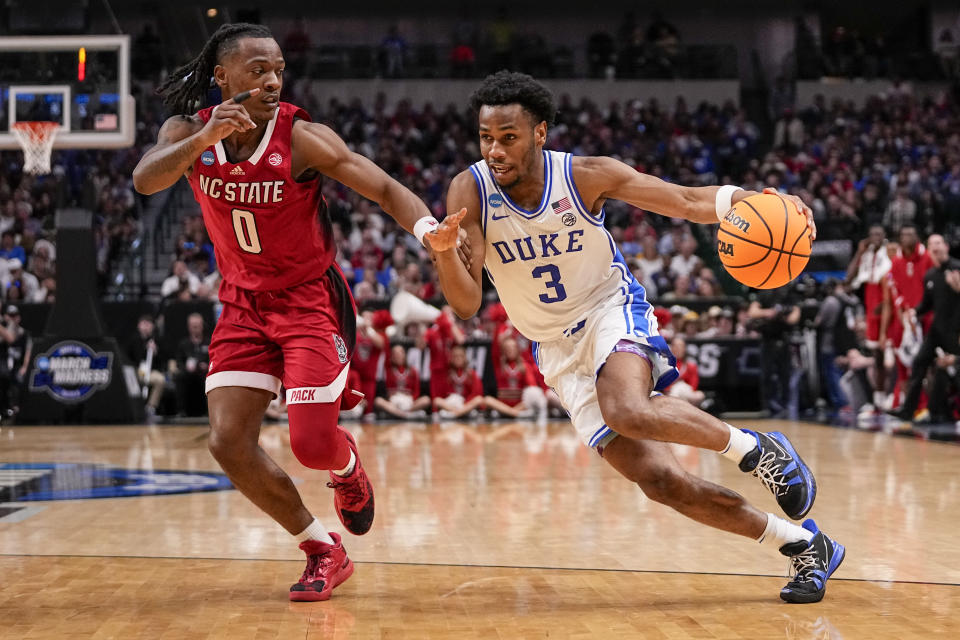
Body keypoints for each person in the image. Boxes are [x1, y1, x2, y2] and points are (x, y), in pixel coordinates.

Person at [426, 71, 843, 604]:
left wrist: (756, 200)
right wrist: (444, 252)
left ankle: (760, 450)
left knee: (626, 407)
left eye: (508, 136)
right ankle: (807, 545)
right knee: (663, 484)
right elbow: (465, 304)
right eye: (486, 137)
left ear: (540, 133)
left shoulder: (586, 176)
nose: (495, 150)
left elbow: (688, 200)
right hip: (554, 347)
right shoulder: (471, 189)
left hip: (609, 308)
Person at [132, 23, 462, 602]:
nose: (272, 80)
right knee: (227, 443)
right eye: (257, 69)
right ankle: (322, 548)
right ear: (222, 77)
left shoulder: (302, 137)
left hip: (308, 299)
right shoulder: (188, 130)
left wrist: (429, 231)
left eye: (278, 69)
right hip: (240, 303)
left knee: (311, 443)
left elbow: (382, 187)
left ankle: (346, 465)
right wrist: (206, 137)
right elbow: (145, 180)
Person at [886, 235, 960, 424]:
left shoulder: (957, 269)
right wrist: (914, 311)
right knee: (919, 363)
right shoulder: (930, 275)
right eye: (931, 244)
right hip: (937, 331)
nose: (935, 247)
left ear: (946, 246)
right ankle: (908, 410)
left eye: (938, 243)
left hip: (955, 332)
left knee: (950, 370)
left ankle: (941, 412)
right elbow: (927, 304)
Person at [484, 335, 548, 423]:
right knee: (487, 400)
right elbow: (494, 347)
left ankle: (511, 413)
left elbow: (532, 388)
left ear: (517, 350)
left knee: (534, 393)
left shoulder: (524, 366)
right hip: (503, 405)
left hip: (519, 405)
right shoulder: (498, 365)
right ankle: (514, 414)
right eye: (507, 348)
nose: (510, 350)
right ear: (503, 351)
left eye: (513, 347)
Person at [124, 314, 166, 423]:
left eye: (149, 324)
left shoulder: (157, 340)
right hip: (136, 372)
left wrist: (155, 352)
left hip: (151, 371)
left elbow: (163, 360)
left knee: (160, 380)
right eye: (144, 324)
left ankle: (151, 407)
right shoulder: (133, 340)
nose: (146, 327)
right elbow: (129, 358)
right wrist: (144, 349)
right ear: (139, 326)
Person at [375, 344, 431, 419]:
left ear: (404, 355)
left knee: (426, 400)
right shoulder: (387, 369)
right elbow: (384, 348)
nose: (398, 356)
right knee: (378, 401)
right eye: (395, 354)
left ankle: (397, 414)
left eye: (400, 353)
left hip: (409, 402)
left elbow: (417, 391)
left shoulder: (413, 371)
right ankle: (406, 415)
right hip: (393, 403)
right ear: (391, 357)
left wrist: (410, 399)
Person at [172, 313, 211, 417]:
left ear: (202, 326)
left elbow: (213, 359)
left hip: (203, 373)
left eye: (197, 326)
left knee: (208, 379)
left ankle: (208, 411)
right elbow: (178, 361)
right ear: (189, 327)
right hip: (187, 373)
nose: (195, 329)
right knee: (179, 377)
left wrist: (207, 365)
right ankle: (181, 411)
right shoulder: (183, 343)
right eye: (193, 326)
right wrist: (185, 367)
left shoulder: (208, 342)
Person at [432, 344, 485, 419]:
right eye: (455, 356)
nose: (458, 358)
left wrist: (465, 403)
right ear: (451, 358)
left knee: (479, 399)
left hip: (466, 404)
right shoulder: (447, 374)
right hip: (452, 404)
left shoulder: (471, 374)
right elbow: (442, 395)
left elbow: (476, 393)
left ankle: (455, 414)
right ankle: (460, 413)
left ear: (465, 358)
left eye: (460, 356)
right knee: (436, 400)